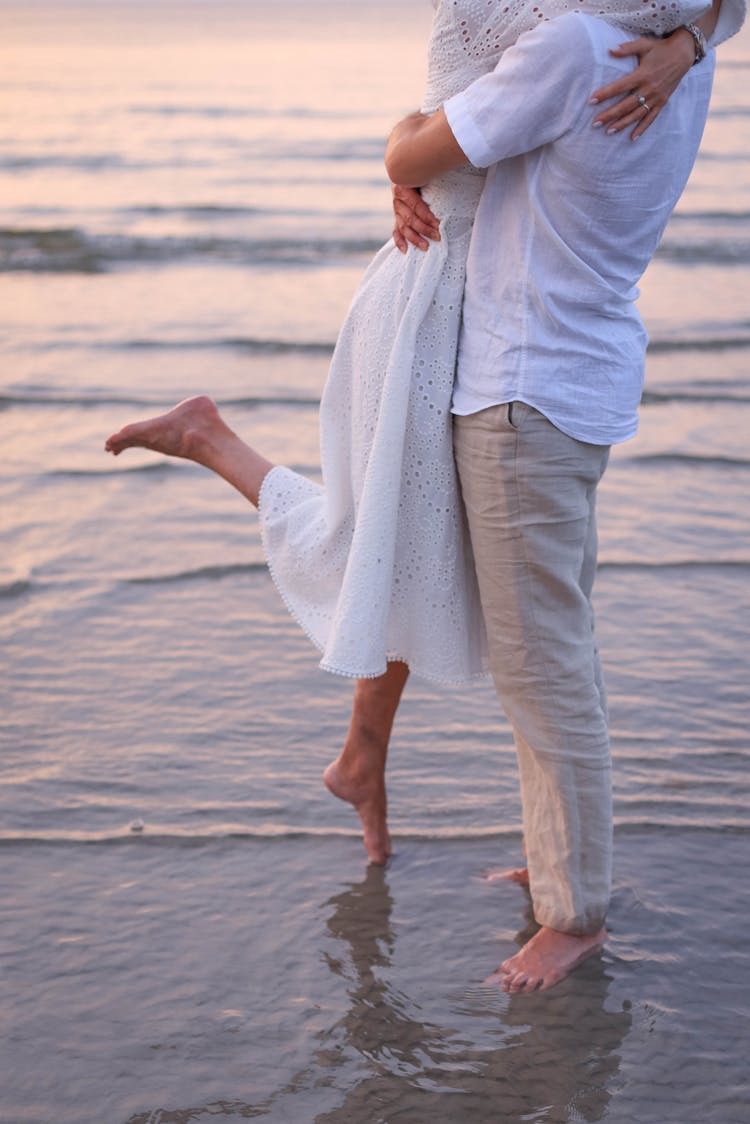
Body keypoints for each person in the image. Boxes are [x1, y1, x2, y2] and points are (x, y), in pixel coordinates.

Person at [106, 1, 725, 871]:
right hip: (444, 294)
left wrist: (409, 158)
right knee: (394, 541)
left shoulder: (603, 36)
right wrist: (692, 45)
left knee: (413, 552)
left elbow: (427, 138)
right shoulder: (639, 42)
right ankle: (386, 765)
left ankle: (383, 767)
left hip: (482, 313)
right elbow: (431, 123)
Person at [384, 0, 743, 991]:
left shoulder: (568, 49)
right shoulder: (684, 53)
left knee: (545, 671)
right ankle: (558, 867)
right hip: (579, 379)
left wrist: (396, 148)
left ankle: (576, 911)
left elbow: (413, 154)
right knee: (553, 653)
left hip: (521, 389)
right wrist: (697, 36)